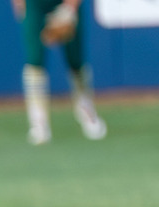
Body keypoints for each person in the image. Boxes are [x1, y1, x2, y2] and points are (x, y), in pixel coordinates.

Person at [14, 0, 108, 144]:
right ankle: (38, 122)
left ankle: (86, 109)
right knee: (35, 61)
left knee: (75, 60)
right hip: (35, 4)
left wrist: (70, 7)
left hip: (64, 2)